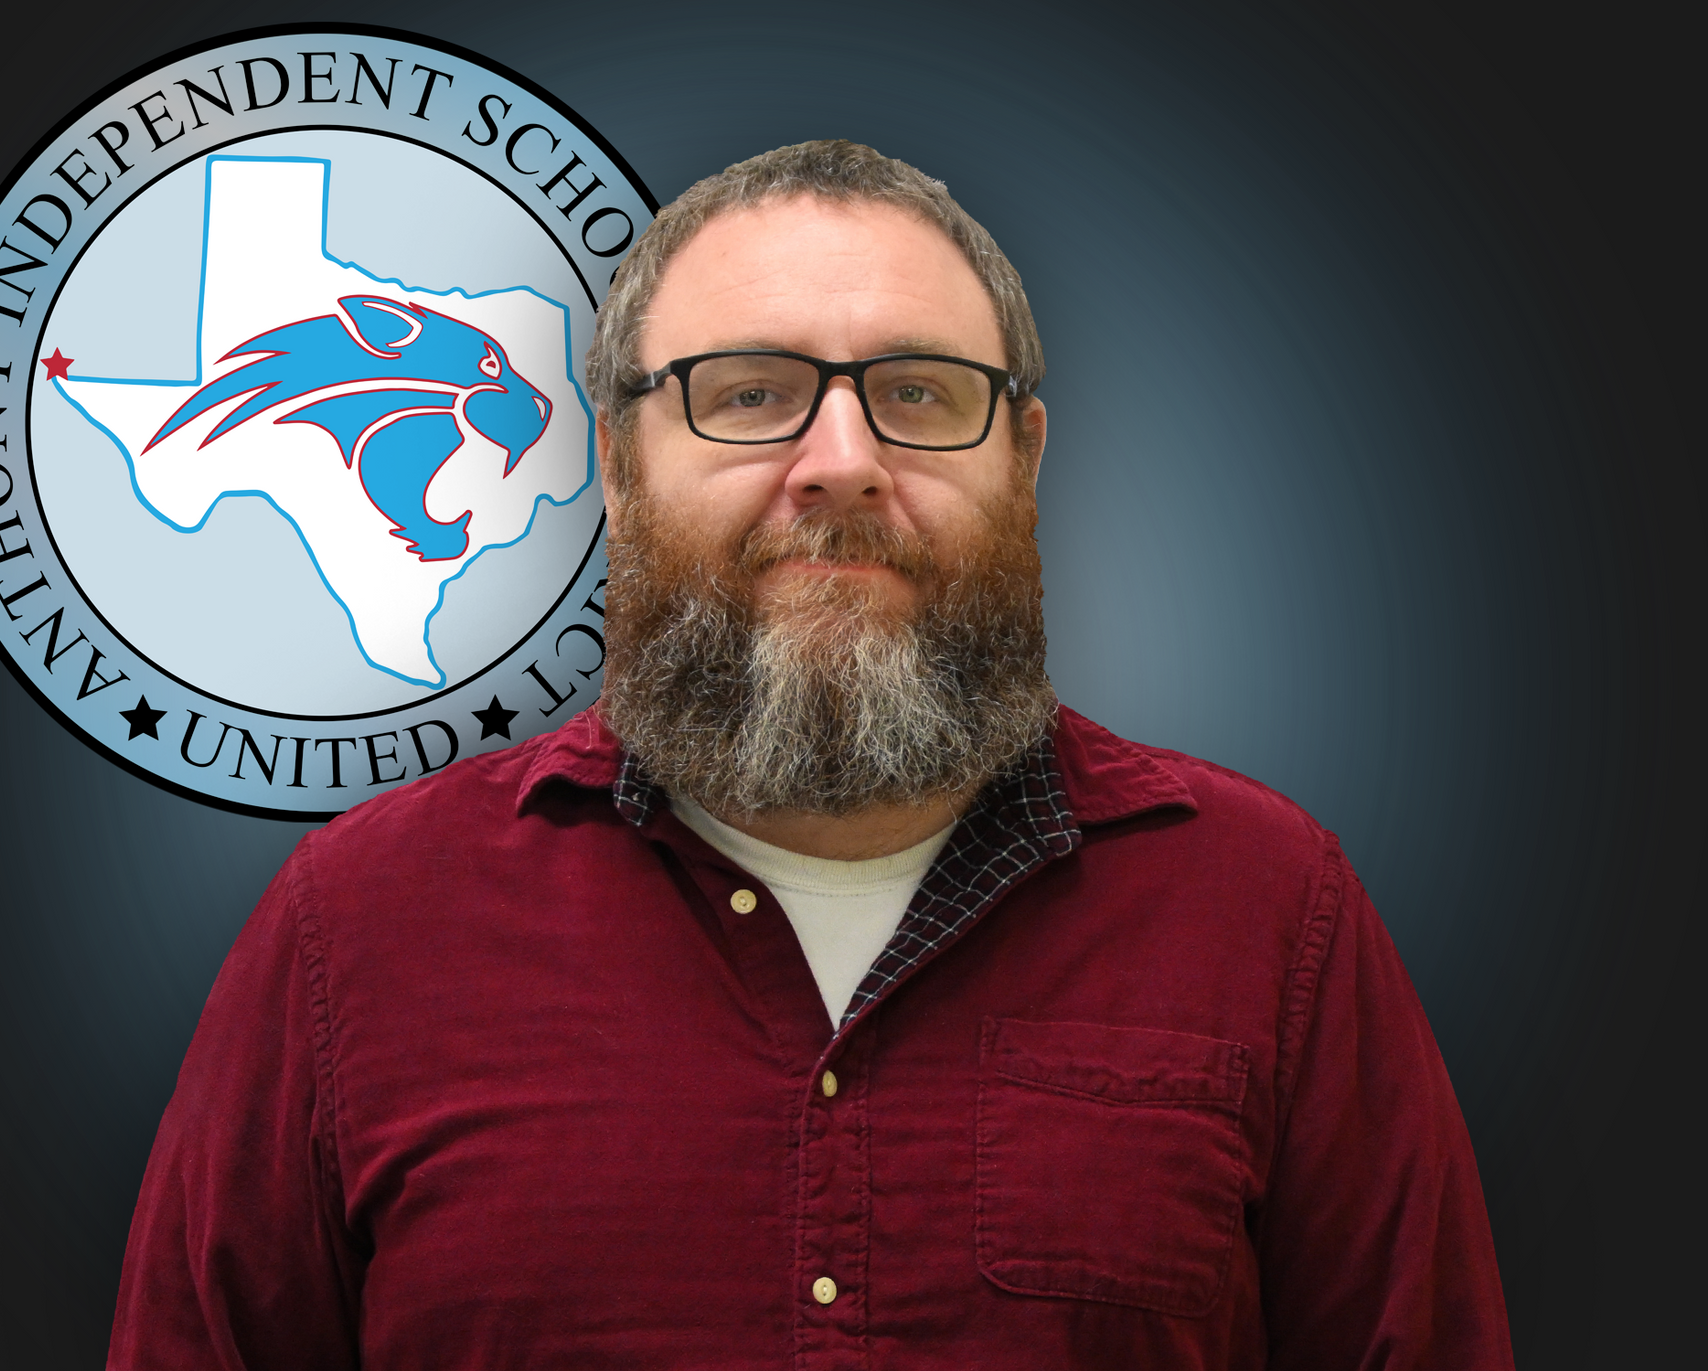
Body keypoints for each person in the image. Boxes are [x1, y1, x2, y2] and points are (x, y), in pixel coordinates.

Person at [109, 140, 1513, 1369]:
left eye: (919, 393)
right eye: (747, 392)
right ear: (618, 465)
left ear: (1025, 458)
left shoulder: (1268, 910)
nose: (841, 458)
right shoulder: (359, 925)